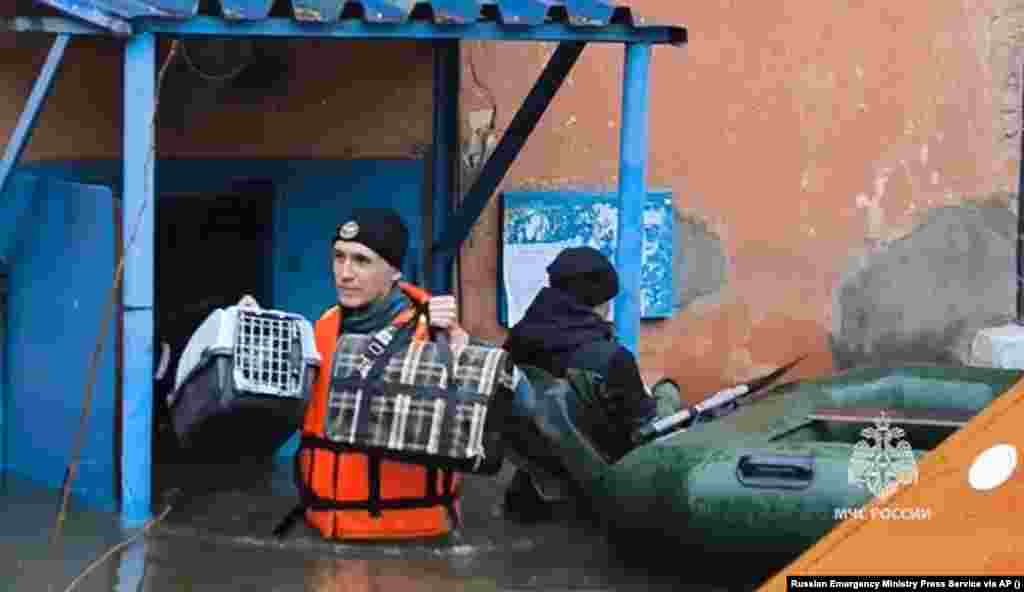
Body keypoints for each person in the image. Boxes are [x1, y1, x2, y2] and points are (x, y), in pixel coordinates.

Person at [298, 207, 473, 541]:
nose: (344, 273)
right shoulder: (324, 327)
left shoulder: (433, 331)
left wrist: (457, 339)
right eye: (339, 257)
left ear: (394, 273)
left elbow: (473, 420)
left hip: (413, 542)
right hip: (327, 533)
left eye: (362, 261)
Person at [501, 246, 678, 519]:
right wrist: (666, 393)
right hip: (596, 492)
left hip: (531, 490)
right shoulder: (611, 359)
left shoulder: (517, 340)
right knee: (667, 396)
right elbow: (649, 431)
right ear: (597, 300)